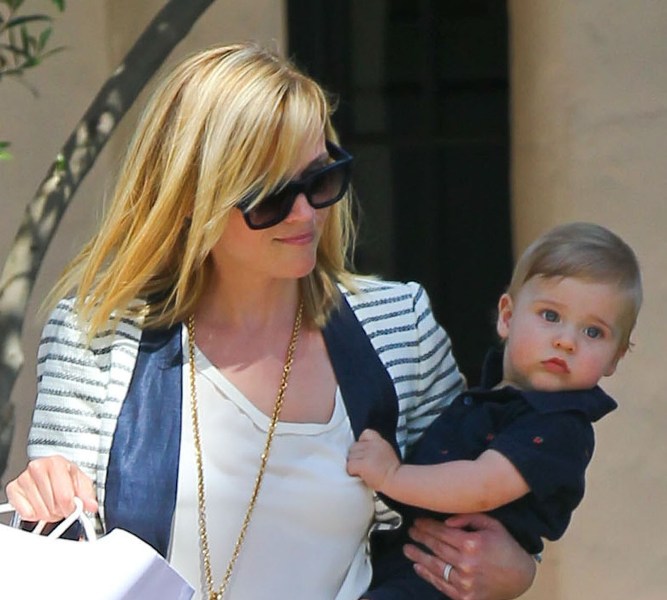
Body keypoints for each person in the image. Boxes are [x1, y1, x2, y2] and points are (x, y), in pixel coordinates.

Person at [5, 43, 535, 600]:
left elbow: (477, 519)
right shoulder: (95, 336)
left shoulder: (400, 327)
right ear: (191, 197)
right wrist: (44, 496)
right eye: (270, 197)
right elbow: (66, 554)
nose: (305, 213)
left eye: (320, 180)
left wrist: (517, 567)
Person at [348, 222, 642, 577]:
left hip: (444, 572)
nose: (566, 341)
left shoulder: (559, 425)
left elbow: (483, 486)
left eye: (593, 332)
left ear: (615, 358)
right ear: (507, 316)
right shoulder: (495, 396)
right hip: (406, 554)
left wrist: (390, 475)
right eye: (551, 316)